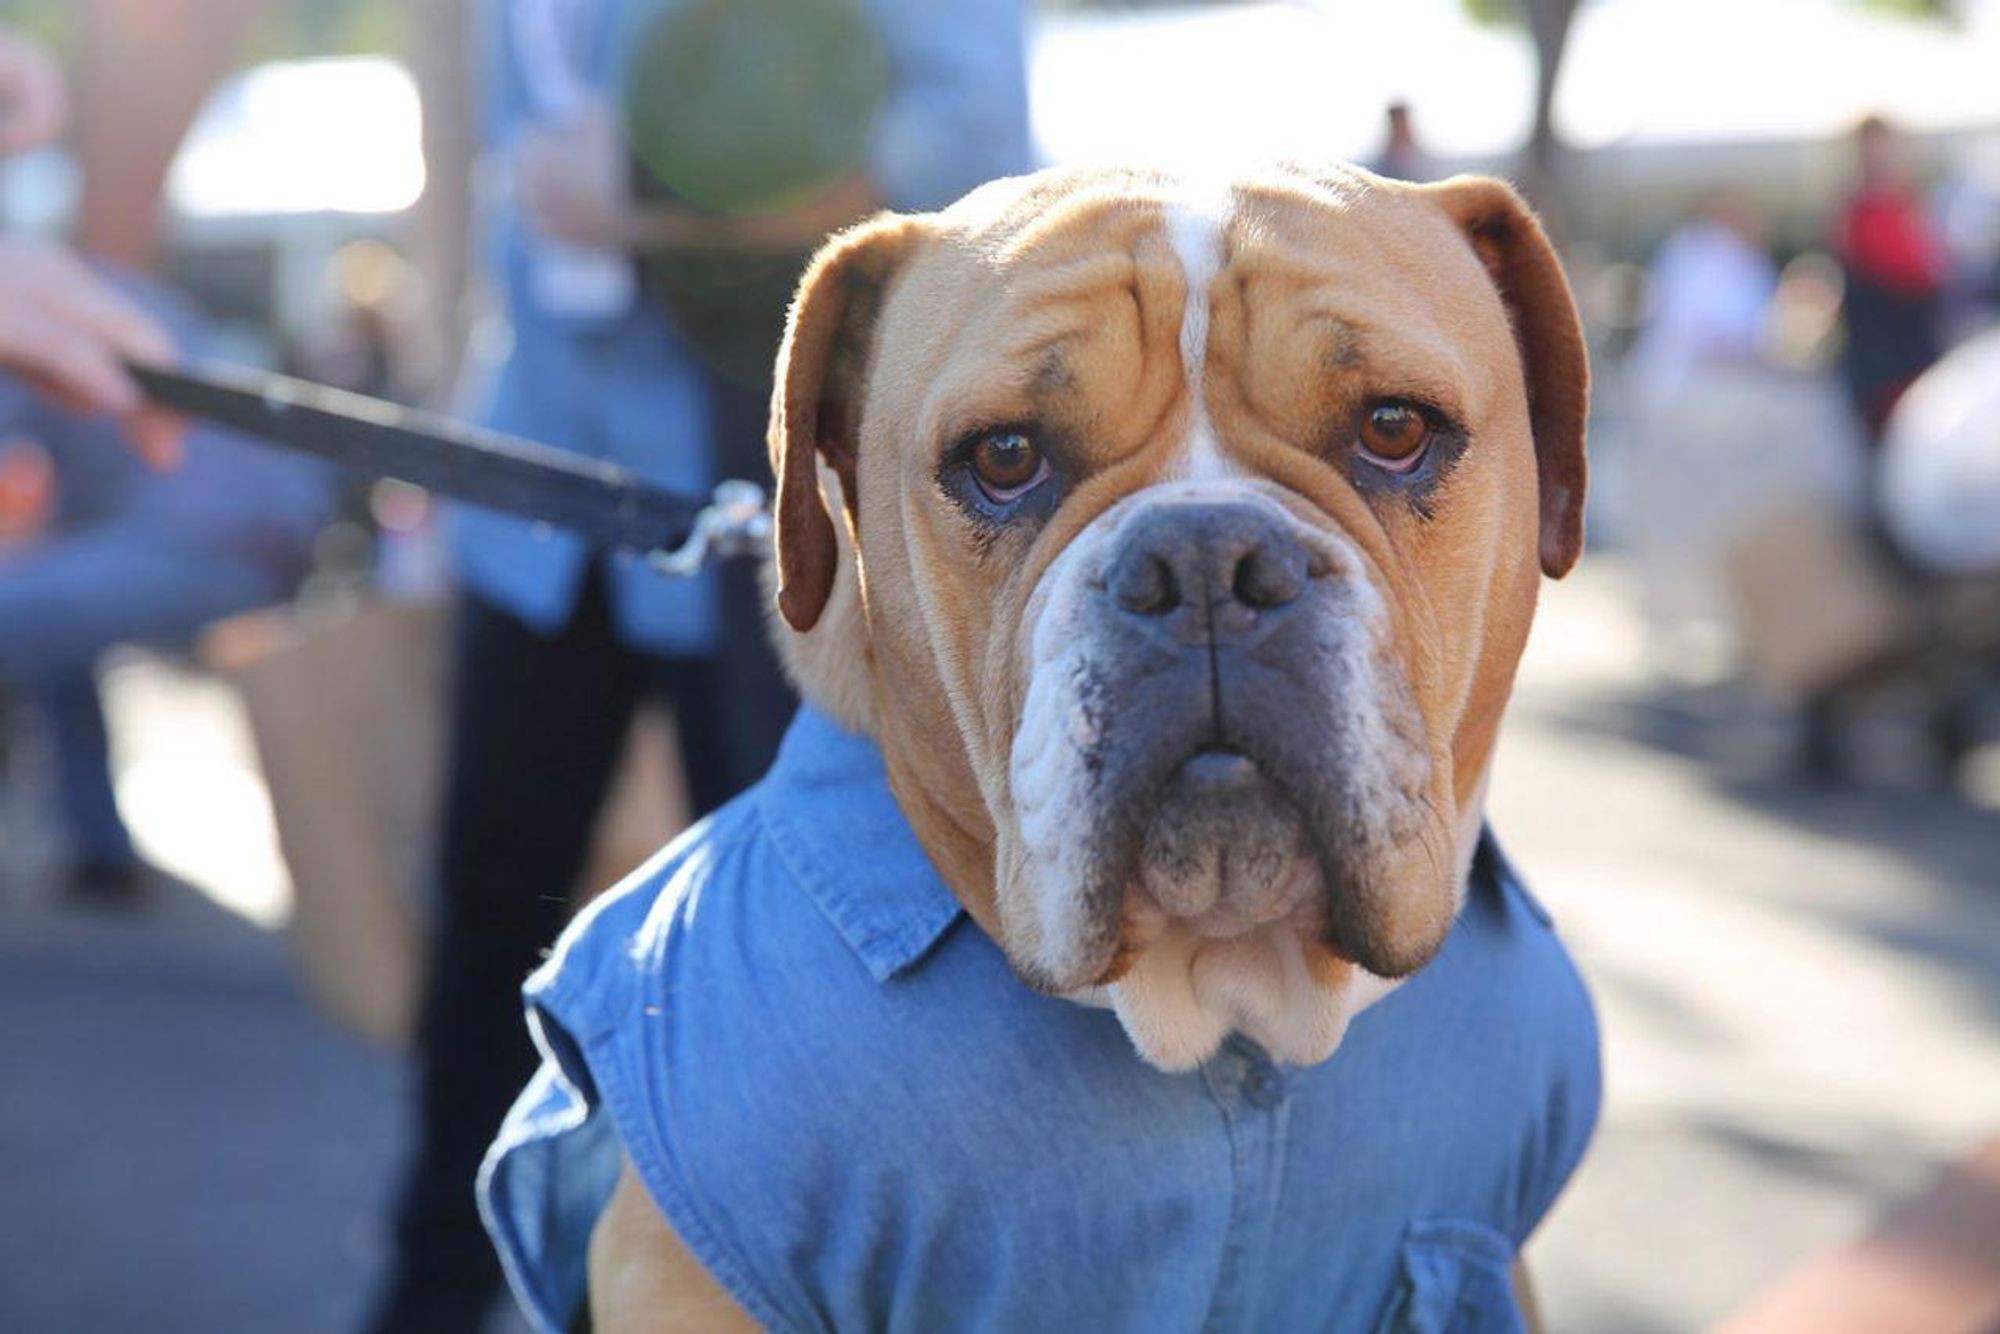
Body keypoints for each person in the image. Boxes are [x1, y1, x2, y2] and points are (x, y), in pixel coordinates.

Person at [364, 3, 1034, 1329]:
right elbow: (468, 127)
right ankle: (429, 1295)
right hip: (533, 474)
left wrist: (657, 196)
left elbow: (974, 156)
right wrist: (438, 412)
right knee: (486, 926)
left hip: (778, 476)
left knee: (824, 952)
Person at [1834, 115, 1946, 447]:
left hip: (1900, 365)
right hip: (1891, 369)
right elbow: (1916, 276)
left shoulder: (1899, 206)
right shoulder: (1868, 211)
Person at [1368, 100, 1437, 183]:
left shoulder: (1424, 160)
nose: (1401, 127)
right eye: (1398, 123)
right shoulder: (1383, 162)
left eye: (1402, 122)